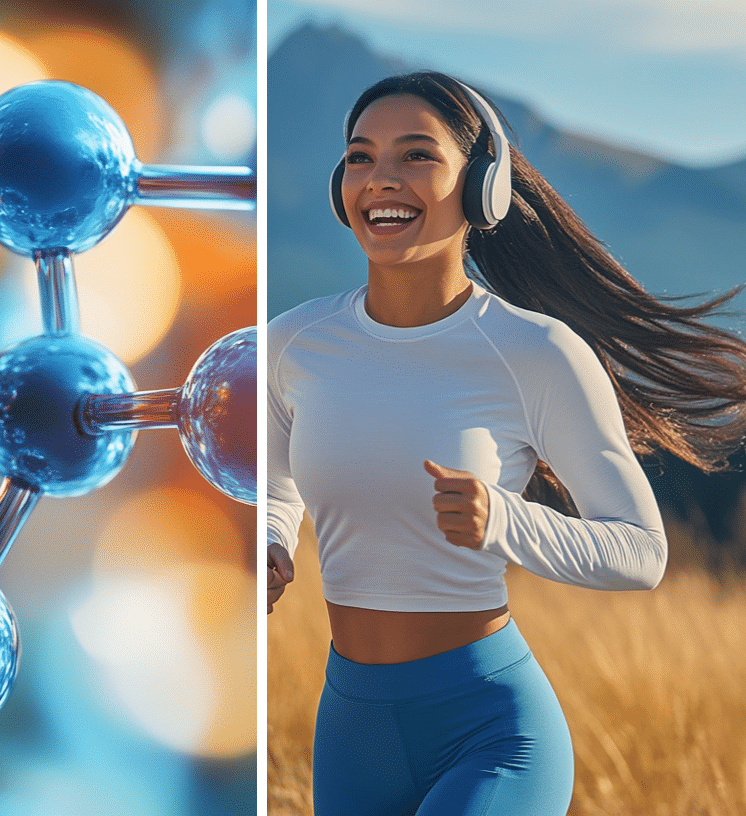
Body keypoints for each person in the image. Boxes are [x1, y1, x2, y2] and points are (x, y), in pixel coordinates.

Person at [267, 71, 746, 815]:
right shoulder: (293, 343)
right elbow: (272, 479)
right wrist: (268, 541)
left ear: (482, 187)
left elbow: (642, 552)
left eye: (416, 156)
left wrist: (507, 521)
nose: (380, 180)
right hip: (350, 728)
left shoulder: (538, 353)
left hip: (490, 730)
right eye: (360, 158)